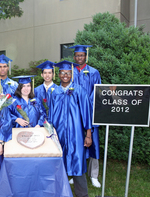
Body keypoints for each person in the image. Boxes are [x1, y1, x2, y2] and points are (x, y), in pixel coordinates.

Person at [48, 60, 92, 197]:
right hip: (58, 133)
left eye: (68, 73)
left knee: (78, 162)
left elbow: (86, 114)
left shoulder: (79, 90)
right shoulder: (54, 91)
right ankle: (58, 192)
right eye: (62, 73)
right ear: (59, 74)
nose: (65, 75)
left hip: (76, 134)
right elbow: (50, 114)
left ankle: (82, 194)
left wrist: (88, 134)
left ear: (72, 74)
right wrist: (50, 134)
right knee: (58, 163)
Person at [69, 44, 102, 188]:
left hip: (90, 112)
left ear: (86, 56)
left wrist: (87, 105)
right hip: (75, 113)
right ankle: (75, 172)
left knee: (93, 143)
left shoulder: (94, 72)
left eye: (81, 55)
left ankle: (94, 175)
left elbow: (98, 92)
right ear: (74, 57)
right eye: (77, 55)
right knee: (76, 143)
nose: (79, 57)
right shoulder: (69, 72)